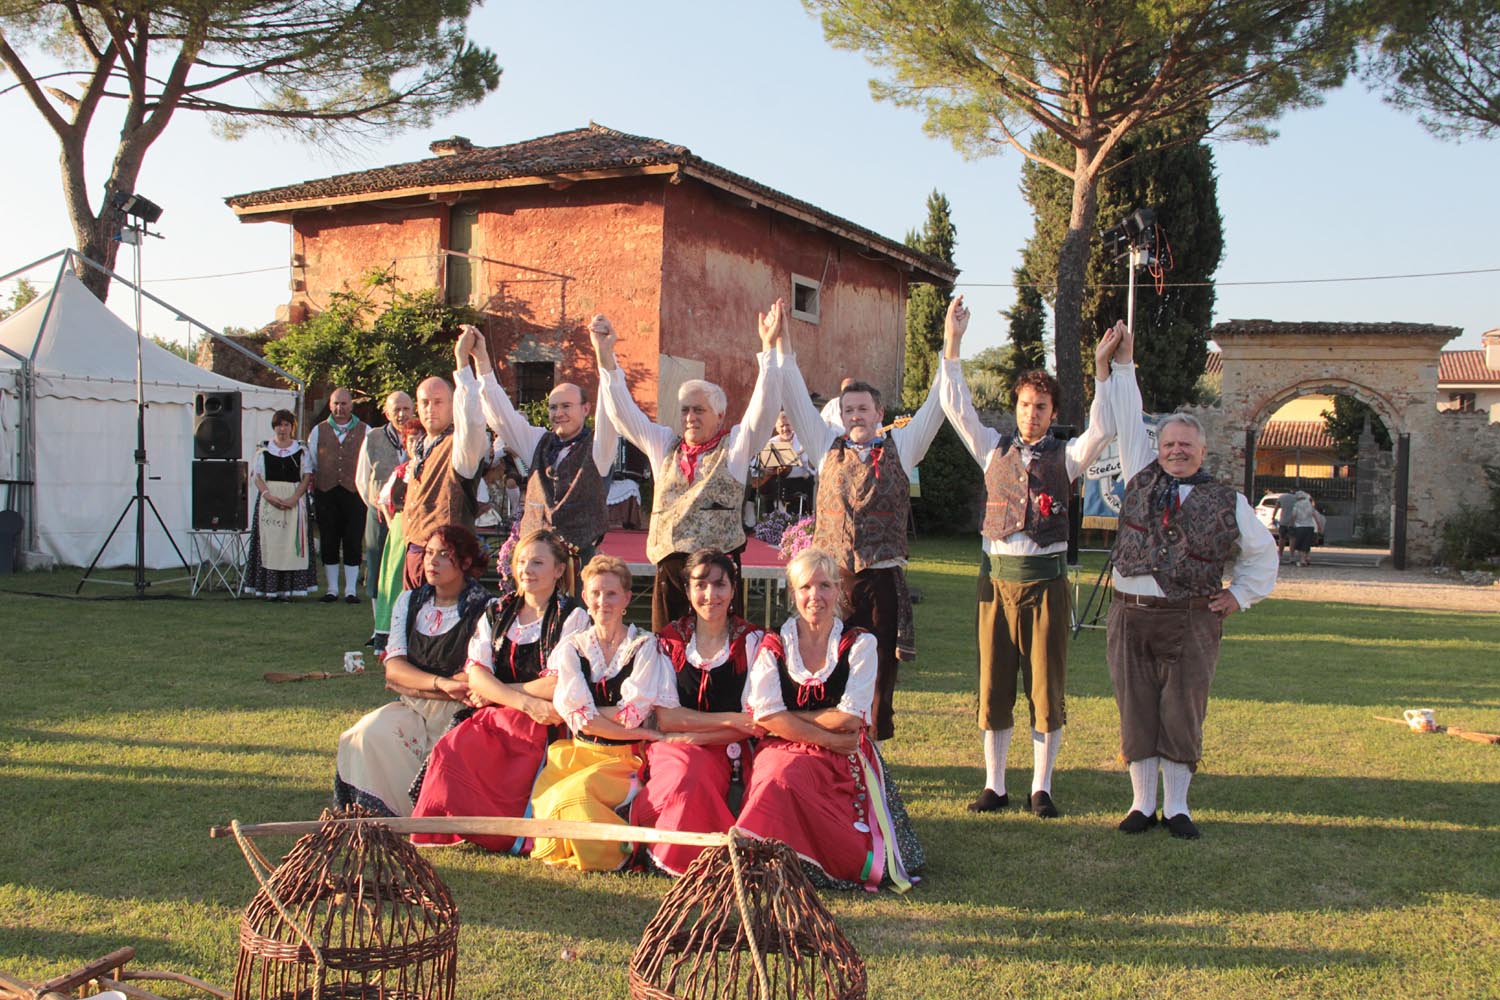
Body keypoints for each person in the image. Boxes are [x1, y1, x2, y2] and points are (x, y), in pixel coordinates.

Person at [938, 296, 1116, 818]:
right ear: (1014, 407)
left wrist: (1102, 370)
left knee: (1045, 685)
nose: (1031, 414)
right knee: (993, 685)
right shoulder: (991, 449)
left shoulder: (1069, 457)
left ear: (1053, 413)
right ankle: (995, 785)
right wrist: (953, 343)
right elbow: (956, 406)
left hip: (1046, 586)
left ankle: (1042, 787)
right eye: (1024, 405)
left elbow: (1103, 427)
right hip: (995, 584)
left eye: (1040, 407)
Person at [1102, 323, 1278, 839]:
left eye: (1185, 444)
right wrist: (1123, 364)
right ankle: (1141, 804)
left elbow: (1262, 553)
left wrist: (1239, 595)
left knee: (1182, 710)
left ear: (1202, 451)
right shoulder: (1139, 472)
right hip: (1130, 614)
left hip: (1192, 619)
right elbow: (1128, 415)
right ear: (1158, 448)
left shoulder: (1228, 500)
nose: (1176, 450)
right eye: (1169, 443)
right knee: (1136, 709)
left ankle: (1177, 807)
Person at [777, 323, 946, 742]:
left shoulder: (903, 447)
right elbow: (795, 398)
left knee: (880, 671)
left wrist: (952, 347)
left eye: (863, 409)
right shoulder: (824, 447)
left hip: (881, 579)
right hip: (832, 580)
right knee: (829, 664)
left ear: (878, 414)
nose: (856, 415)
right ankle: (828, 746)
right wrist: (782, 344)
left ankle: (872, 753)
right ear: (841, 416)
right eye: (849, 409)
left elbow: (936, 407)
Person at [735, 548, 922, 892]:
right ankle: (766, 857)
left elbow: (850, 717)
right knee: (778, 775)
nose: (815, 596)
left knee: (790, 778)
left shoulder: (859, 643)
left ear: (838, 590)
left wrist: (788, 718)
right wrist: (827, 736)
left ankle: (795, 861)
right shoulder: (774, 643)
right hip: (800, 748)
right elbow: (765, 716)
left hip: (842, 757)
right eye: (805, 587)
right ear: (793, 593)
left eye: (824, 586)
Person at [592, 304, 783, 629]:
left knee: (720, 650)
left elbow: (762, 414)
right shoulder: (664, 444)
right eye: (685, 410)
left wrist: (768, 351)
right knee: (667, 651)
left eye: (698, 410)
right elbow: (624, 415)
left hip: (717, 578)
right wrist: (605, 356)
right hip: (671, 574)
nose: (690, 417)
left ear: (720, 415)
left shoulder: (734, 448)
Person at [411, 529, 590, 852]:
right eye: (521, 561)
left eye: (537, 563)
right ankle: (451, 827)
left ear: (559, 570)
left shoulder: (572, 617)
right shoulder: (497, 610)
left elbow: (557, 682)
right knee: (452, 749)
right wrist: (520, 700)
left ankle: (502, 832)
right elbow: (475, 674)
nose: (526, 570)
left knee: (515, 758)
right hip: (503, 713)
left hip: (543, 720)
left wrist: (498, 692)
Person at [334, 525, 490, 816]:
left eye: (444, 555)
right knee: (364, 734)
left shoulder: (485, 608)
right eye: (429, 553)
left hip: (459, 714)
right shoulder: (410, 601)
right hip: (413, 708)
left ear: (465, 562)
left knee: (445, 760)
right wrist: (440, 683)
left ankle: (425, 818)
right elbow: (394, 669)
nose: (432, 562)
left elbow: (472, 679)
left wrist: (414, 682)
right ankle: (382, 817)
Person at [530, 554, 668, 871]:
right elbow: (582, 721)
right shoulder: (571, 648)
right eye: (595, 593)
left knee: (575, 796)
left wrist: (596, 716)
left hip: (623, 760)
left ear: (627, 599)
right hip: (577, 754)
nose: (602, 601)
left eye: (611, 593)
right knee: (552, 799)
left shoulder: (645, 645)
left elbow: (631, 712)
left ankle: (619, 853)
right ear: (585, 597)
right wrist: (641, 731)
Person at [631, 548, 764, 876]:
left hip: (727, 750)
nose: (710, 595)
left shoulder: (752, 642)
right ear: (688, 590)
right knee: (684, 772)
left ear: (733, 589)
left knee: (694, 774)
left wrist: (696, 734)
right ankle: (682, 853)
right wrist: (730, 719)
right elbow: (668, 718)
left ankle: (673, 853)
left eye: (720, 584)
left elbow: (755, 723)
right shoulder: (670, 641)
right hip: (674, 747)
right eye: (700, 585)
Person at [472, 326, 617, 572]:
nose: (558, 413)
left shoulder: (599, 448)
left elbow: (611, 409)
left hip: (577, 560)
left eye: (566, 406)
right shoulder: (538, 441)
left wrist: (605, 355)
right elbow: (501, 416)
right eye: (553, 407)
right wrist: (482, 360)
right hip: (534, 557)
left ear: (585, 409)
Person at [401, 329, 491, 589]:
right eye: (425, 402)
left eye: (438, 402)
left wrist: (463, 362)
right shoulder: (420, 445)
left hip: (448, 560)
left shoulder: (461, 446)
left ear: (453, 405)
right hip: (414, 552)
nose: (431, 409)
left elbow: (473, 422)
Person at [243, 409, 317, 600]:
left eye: (286, 425)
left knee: (291, 545)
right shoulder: (264, 450)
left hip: (294, 500)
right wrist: (268, 496)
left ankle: (289, 589)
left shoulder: (301, 451)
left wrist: (294, 498)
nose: (282, 429)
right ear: (274, 427)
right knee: (271, 544)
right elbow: (257, 476)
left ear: (292, 427)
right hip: (270, 500)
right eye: (279, 425)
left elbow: (306, 476)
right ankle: (270, 589)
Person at [356, 391, 413, 637]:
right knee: (377, 566)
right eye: (396, 410)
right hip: (378, 513)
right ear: (387, 413)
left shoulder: (420, 436)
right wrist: (378, 506)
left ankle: (404, 626)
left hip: (410, 516)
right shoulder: (373, 437)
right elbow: (362, 479)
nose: (401, 414)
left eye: (406, 409)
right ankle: (378, 628)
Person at [306, 387, 369, 604]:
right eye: (336, 403)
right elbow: (313, 461)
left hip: (355, 492)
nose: (339, 408)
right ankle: (332, 589)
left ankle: (351, 590)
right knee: (329, 539)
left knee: (353, 539)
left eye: (344, 403)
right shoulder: (318, 431)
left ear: (351, 405)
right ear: (330, 405)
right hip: (327, 492)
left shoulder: (366, 430)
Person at [372, 418, 425, 656]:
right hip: (399, 531)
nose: (414, 444)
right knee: (393, 580)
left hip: (421, 529)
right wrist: (393, 521)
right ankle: (386, 637)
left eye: (419, 440)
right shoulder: (401, 471)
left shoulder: (428, 468)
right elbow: (383, 500)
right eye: (410, 440)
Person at [751, 410, 816, 516]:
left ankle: (790, 517)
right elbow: (756, 463)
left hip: (797, 482)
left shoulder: (802, 442)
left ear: (793, 425)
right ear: (776, 428)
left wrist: (804, 462)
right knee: (769, 485)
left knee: (807, 482)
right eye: (781, 426)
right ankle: (771, 518)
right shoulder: (771, 443)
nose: (785, 429)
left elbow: (811, 470)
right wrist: (763, 468)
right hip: (776, 483)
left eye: (788, 425)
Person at [1290, 491, 1325, 568]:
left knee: (1299, 544)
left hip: (1300, 527)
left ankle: (1302, 560)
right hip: (1310, 527)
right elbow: (1315, 516)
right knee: (1306, 543)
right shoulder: (1309, 505)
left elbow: (1294, 516)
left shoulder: (1296, 505)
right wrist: (1319, 526)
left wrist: (1291, 525)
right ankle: (1306, 558)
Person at [1275, 491, 1298, 562]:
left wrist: (1273, 516)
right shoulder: (1296, 498)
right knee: (1292, 538)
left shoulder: (1282, 497)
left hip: (1283, 521)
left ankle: (1280, 554)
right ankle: (1292, 555)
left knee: (1282, 538)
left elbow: (1276, 507)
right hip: (1293, 522)